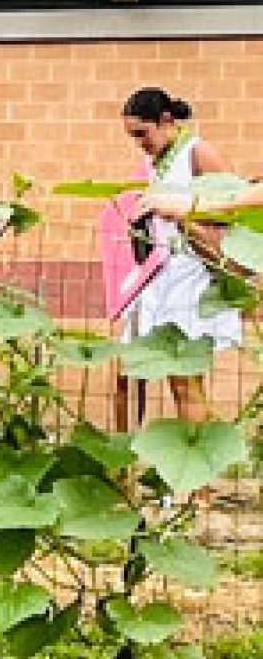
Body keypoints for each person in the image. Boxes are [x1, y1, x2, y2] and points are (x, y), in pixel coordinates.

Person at [122, 88, 241, 427]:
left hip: (195, 276)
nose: (140, 143)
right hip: (161, 275)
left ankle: (197, 474)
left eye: (143, 134)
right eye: (133, 137)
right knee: (141, 374)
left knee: (188, 382)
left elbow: (231, 213)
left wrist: (182, 215)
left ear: (166, 121)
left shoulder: (198, 152)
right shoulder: (153, 161)